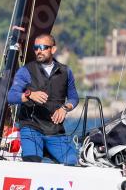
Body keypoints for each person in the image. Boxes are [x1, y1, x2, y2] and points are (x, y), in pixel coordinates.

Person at [7, 34, 79, 165]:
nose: (39, 51)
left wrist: (65, 108)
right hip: (31, 128)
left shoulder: (65, 72)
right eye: (36, 48)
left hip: (55, 131)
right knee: (32, 161)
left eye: (43, 47)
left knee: (72, 163)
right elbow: (11, 96)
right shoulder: (26, 71)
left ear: (53, 49)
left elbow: (74, 98)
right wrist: (29, 95)